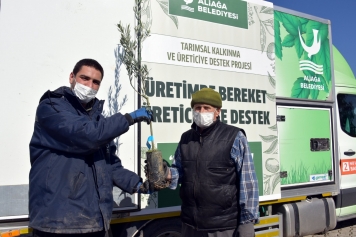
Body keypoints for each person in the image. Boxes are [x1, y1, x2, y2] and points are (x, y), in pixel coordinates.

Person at [29, 58, 154, 236]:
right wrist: (128, 118)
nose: (90, 85)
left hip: (94, 222)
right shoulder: (51, 108)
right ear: (71, 77)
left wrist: (138, 185)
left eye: (96, 82)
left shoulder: (98, 121)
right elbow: (86, 135)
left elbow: (110, 166)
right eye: (84, 78)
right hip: (58, 222)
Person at [167, 88, 259, 237]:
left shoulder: (235, 136)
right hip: (190, 225)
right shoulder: (186, 138)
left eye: (207, 108)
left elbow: (248, 182)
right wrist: (167, 173)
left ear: (217, 111)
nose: (201, 112)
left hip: (222, 226)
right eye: (197, 108)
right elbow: (180, 171)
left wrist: (247, 222)